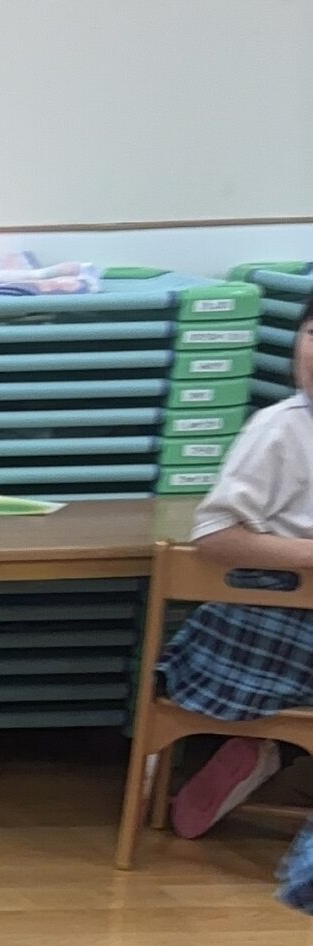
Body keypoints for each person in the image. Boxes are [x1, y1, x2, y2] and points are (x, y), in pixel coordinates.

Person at [161, 301, 313, 841]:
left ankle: (269, 753)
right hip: (268, 618)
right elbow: (214, 536)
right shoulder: (279, 429)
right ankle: (271, 752)